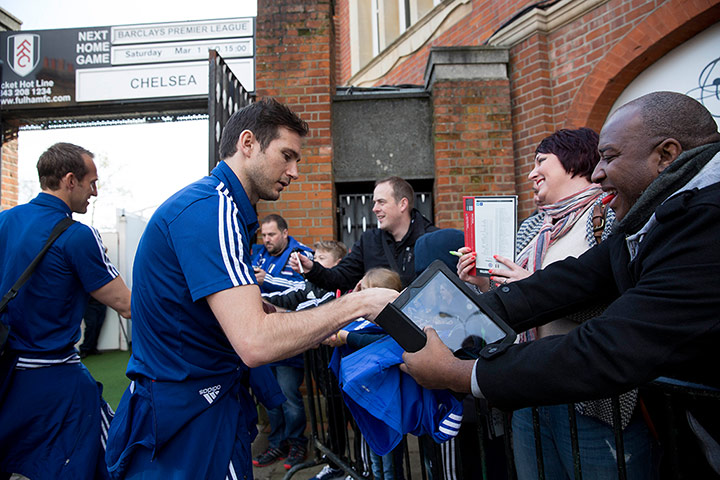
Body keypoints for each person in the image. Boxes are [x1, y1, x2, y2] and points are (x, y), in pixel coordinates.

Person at [401, 91, 720, 475]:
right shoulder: (651, 217)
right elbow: (563, 284)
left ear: (666, 155)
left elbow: (611, 346)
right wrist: (445, 317)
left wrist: (461, 374)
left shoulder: (707, 222)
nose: (599, 172)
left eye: (611, 156)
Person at [105, 98, 397, 480]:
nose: (294, 172)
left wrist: (303, 323)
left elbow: (243, 312)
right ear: (248, 144)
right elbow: (255, 341)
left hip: (188, 404)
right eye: (287, 155)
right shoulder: (214, 207)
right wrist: (359, 303)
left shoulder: (216, 207)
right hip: (192, 413)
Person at [459, 129, 654, 478]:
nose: (531, 173)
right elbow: (514, 297)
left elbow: (620, 298)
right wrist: (483, 284)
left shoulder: (610, 215)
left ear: (574, 160)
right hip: (528, 386)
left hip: (590, 396)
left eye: (540, 161)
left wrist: (534, 289)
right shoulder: (532, 227)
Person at [0, 142, 132, 480]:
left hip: (6, 371)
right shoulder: (77, 235)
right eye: (92, 182)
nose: (95, 192)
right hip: (55, 375)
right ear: (70, 180)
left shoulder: (5, 221)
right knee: (112, 454)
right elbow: (126, 304)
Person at [252, 240, 347, 470]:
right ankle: (335, 458)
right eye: (314, 259)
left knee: (344, 411)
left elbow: (315, 309)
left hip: (342, 362)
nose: (315, 264)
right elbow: (285, 297)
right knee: (331, 408)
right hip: (321, 362)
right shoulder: (308, 285)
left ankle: (346, 462)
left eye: (321, 260)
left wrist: (289, 317)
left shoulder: (341, 287)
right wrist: (252, 302)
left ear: (339, 264)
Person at [291, 176, 437, 290]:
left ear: (402, 204)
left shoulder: (433, 241)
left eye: (381, 202)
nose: (374, 209)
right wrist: (312, 269)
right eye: (374, 202)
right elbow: (340, 277)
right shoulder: (369, 241)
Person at [252, 213, 313, 294]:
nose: (267, 239)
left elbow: (306, 287)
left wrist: (268, 280)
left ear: (284, 233)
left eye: (271, 234)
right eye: (263, 235)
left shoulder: (300, 255)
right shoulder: (258, 253)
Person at [79, 293, 109, 358]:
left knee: (98, 325)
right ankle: (85, 349)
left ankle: (93, 348)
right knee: (91, 325)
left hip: (102, 303)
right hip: (89, 304)